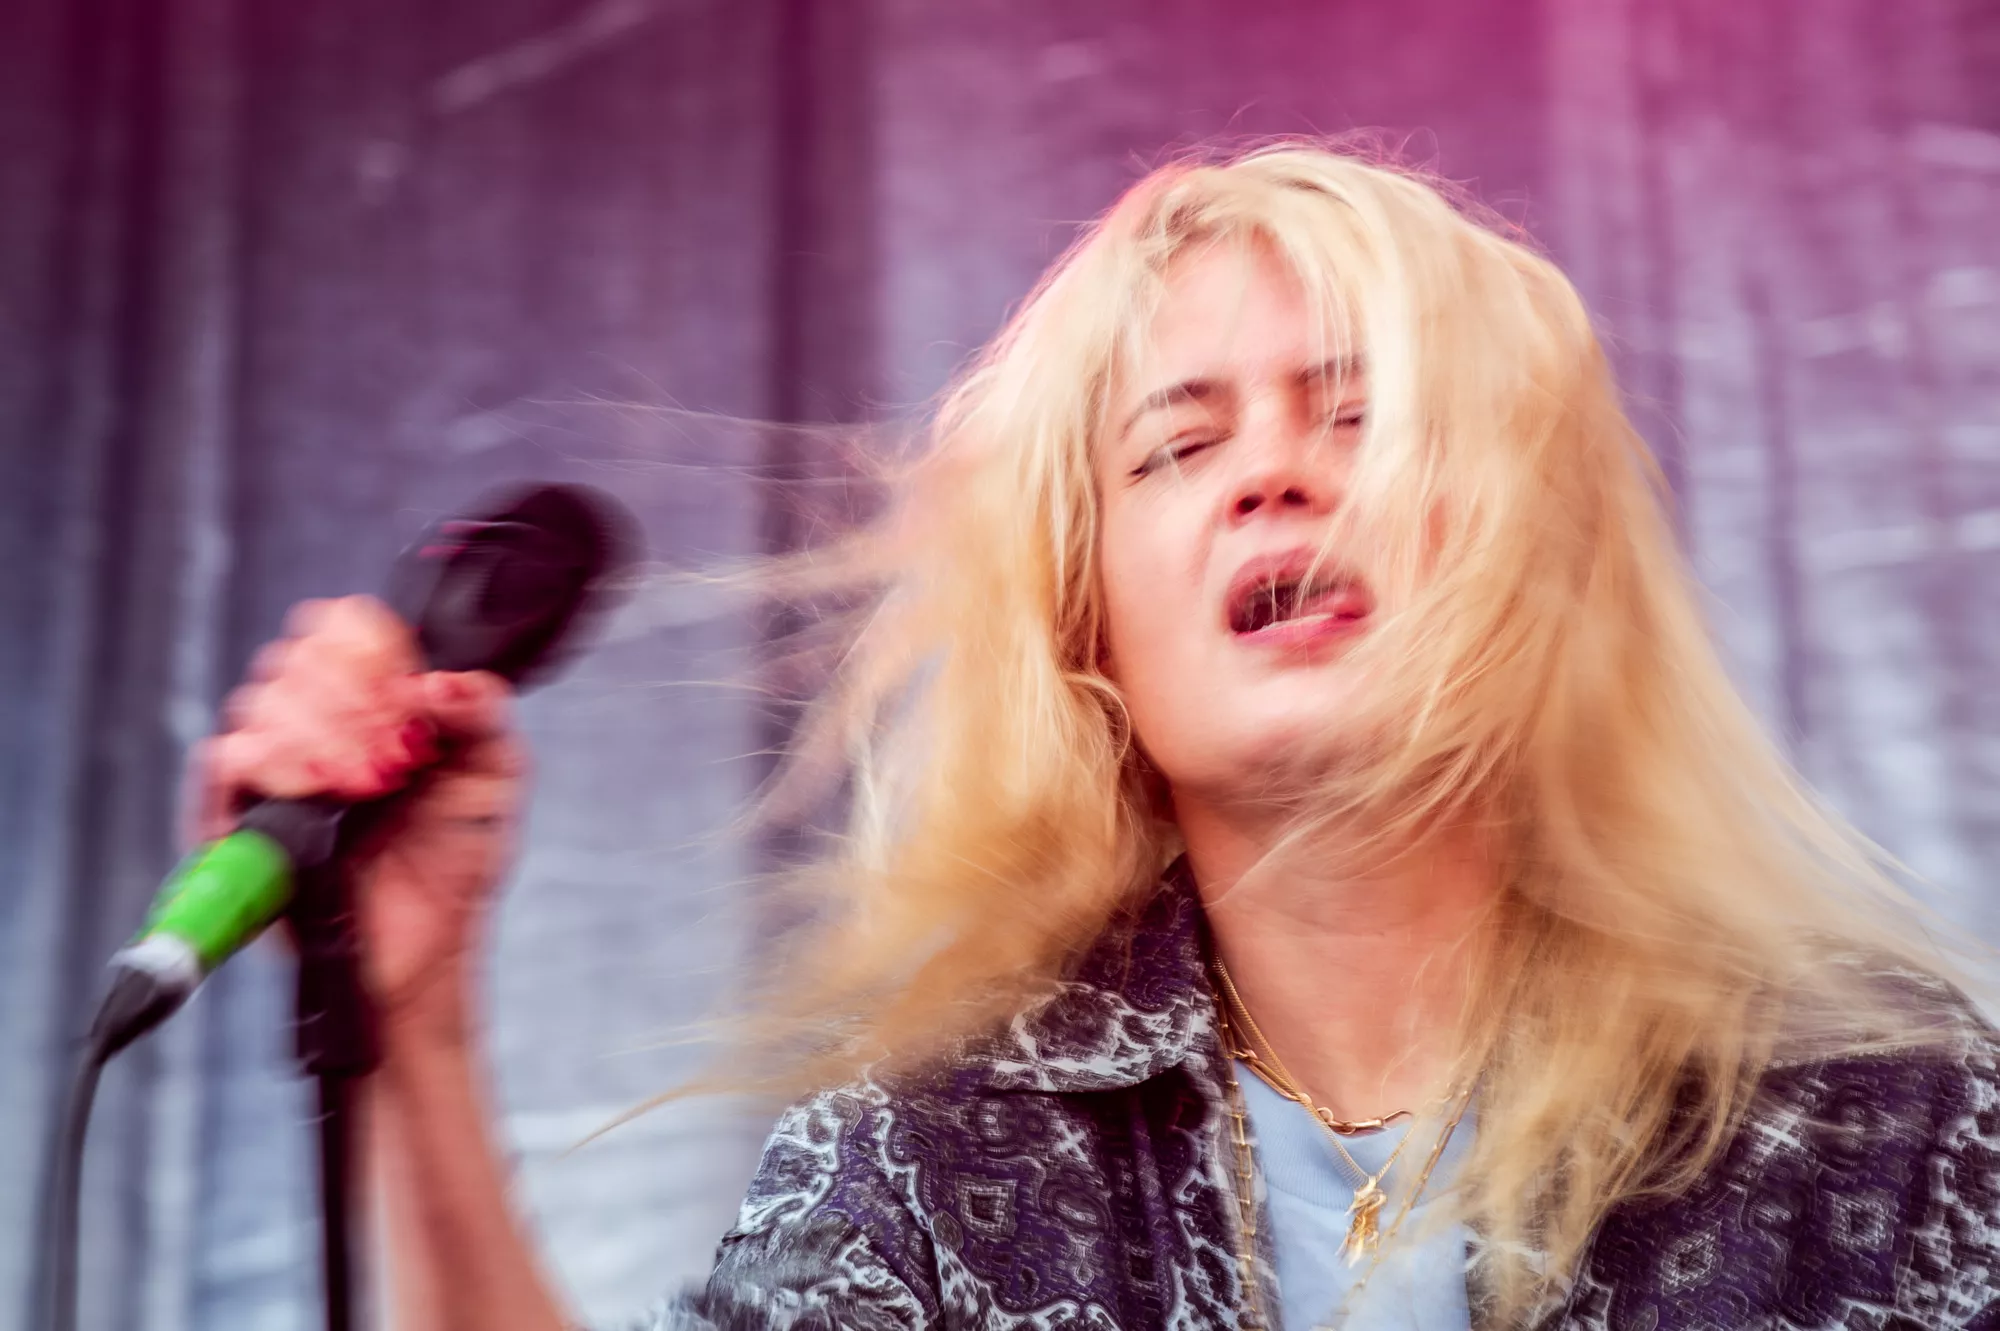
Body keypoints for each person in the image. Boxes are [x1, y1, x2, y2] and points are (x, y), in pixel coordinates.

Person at [191, 142, 2000, 1330]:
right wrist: (412, 1032)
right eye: (1177, 446)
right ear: (1092, 636)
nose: (1271, 472)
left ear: (1542, 550)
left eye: (1358, 412)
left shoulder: (1890, 1118)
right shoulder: (936, 1162)